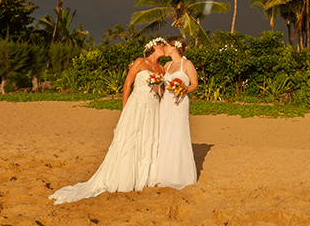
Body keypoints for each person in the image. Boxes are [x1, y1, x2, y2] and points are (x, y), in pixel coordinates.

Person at [49, 38, 167, 204]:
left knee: (149, 138)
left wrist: (158, 88)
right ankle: (125, 176)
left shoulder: (161, 68)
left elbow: (162, 93)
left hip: (153, 107)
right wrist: (124, 109)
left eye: (164, 45)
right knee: (130, 138)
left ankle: (144, 176)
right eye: (160, 44)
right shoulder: (140, 62)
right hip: (137, 104)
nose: (163, 47)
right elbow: (127, 85)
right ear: (153, 46)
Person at [154, 35, 199, 189]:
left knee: (178, 134)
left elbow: (195, 84)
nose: (164, 48)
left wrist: (183, 89)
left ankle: (179, 174)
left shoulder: (186, 64)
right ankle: (163, 173)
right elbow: (161, 83)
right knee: (165, 133)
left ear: (174, 47)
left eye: (166, 46)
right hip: (166, 102)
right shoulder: (167, 65)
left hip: (179, 102)